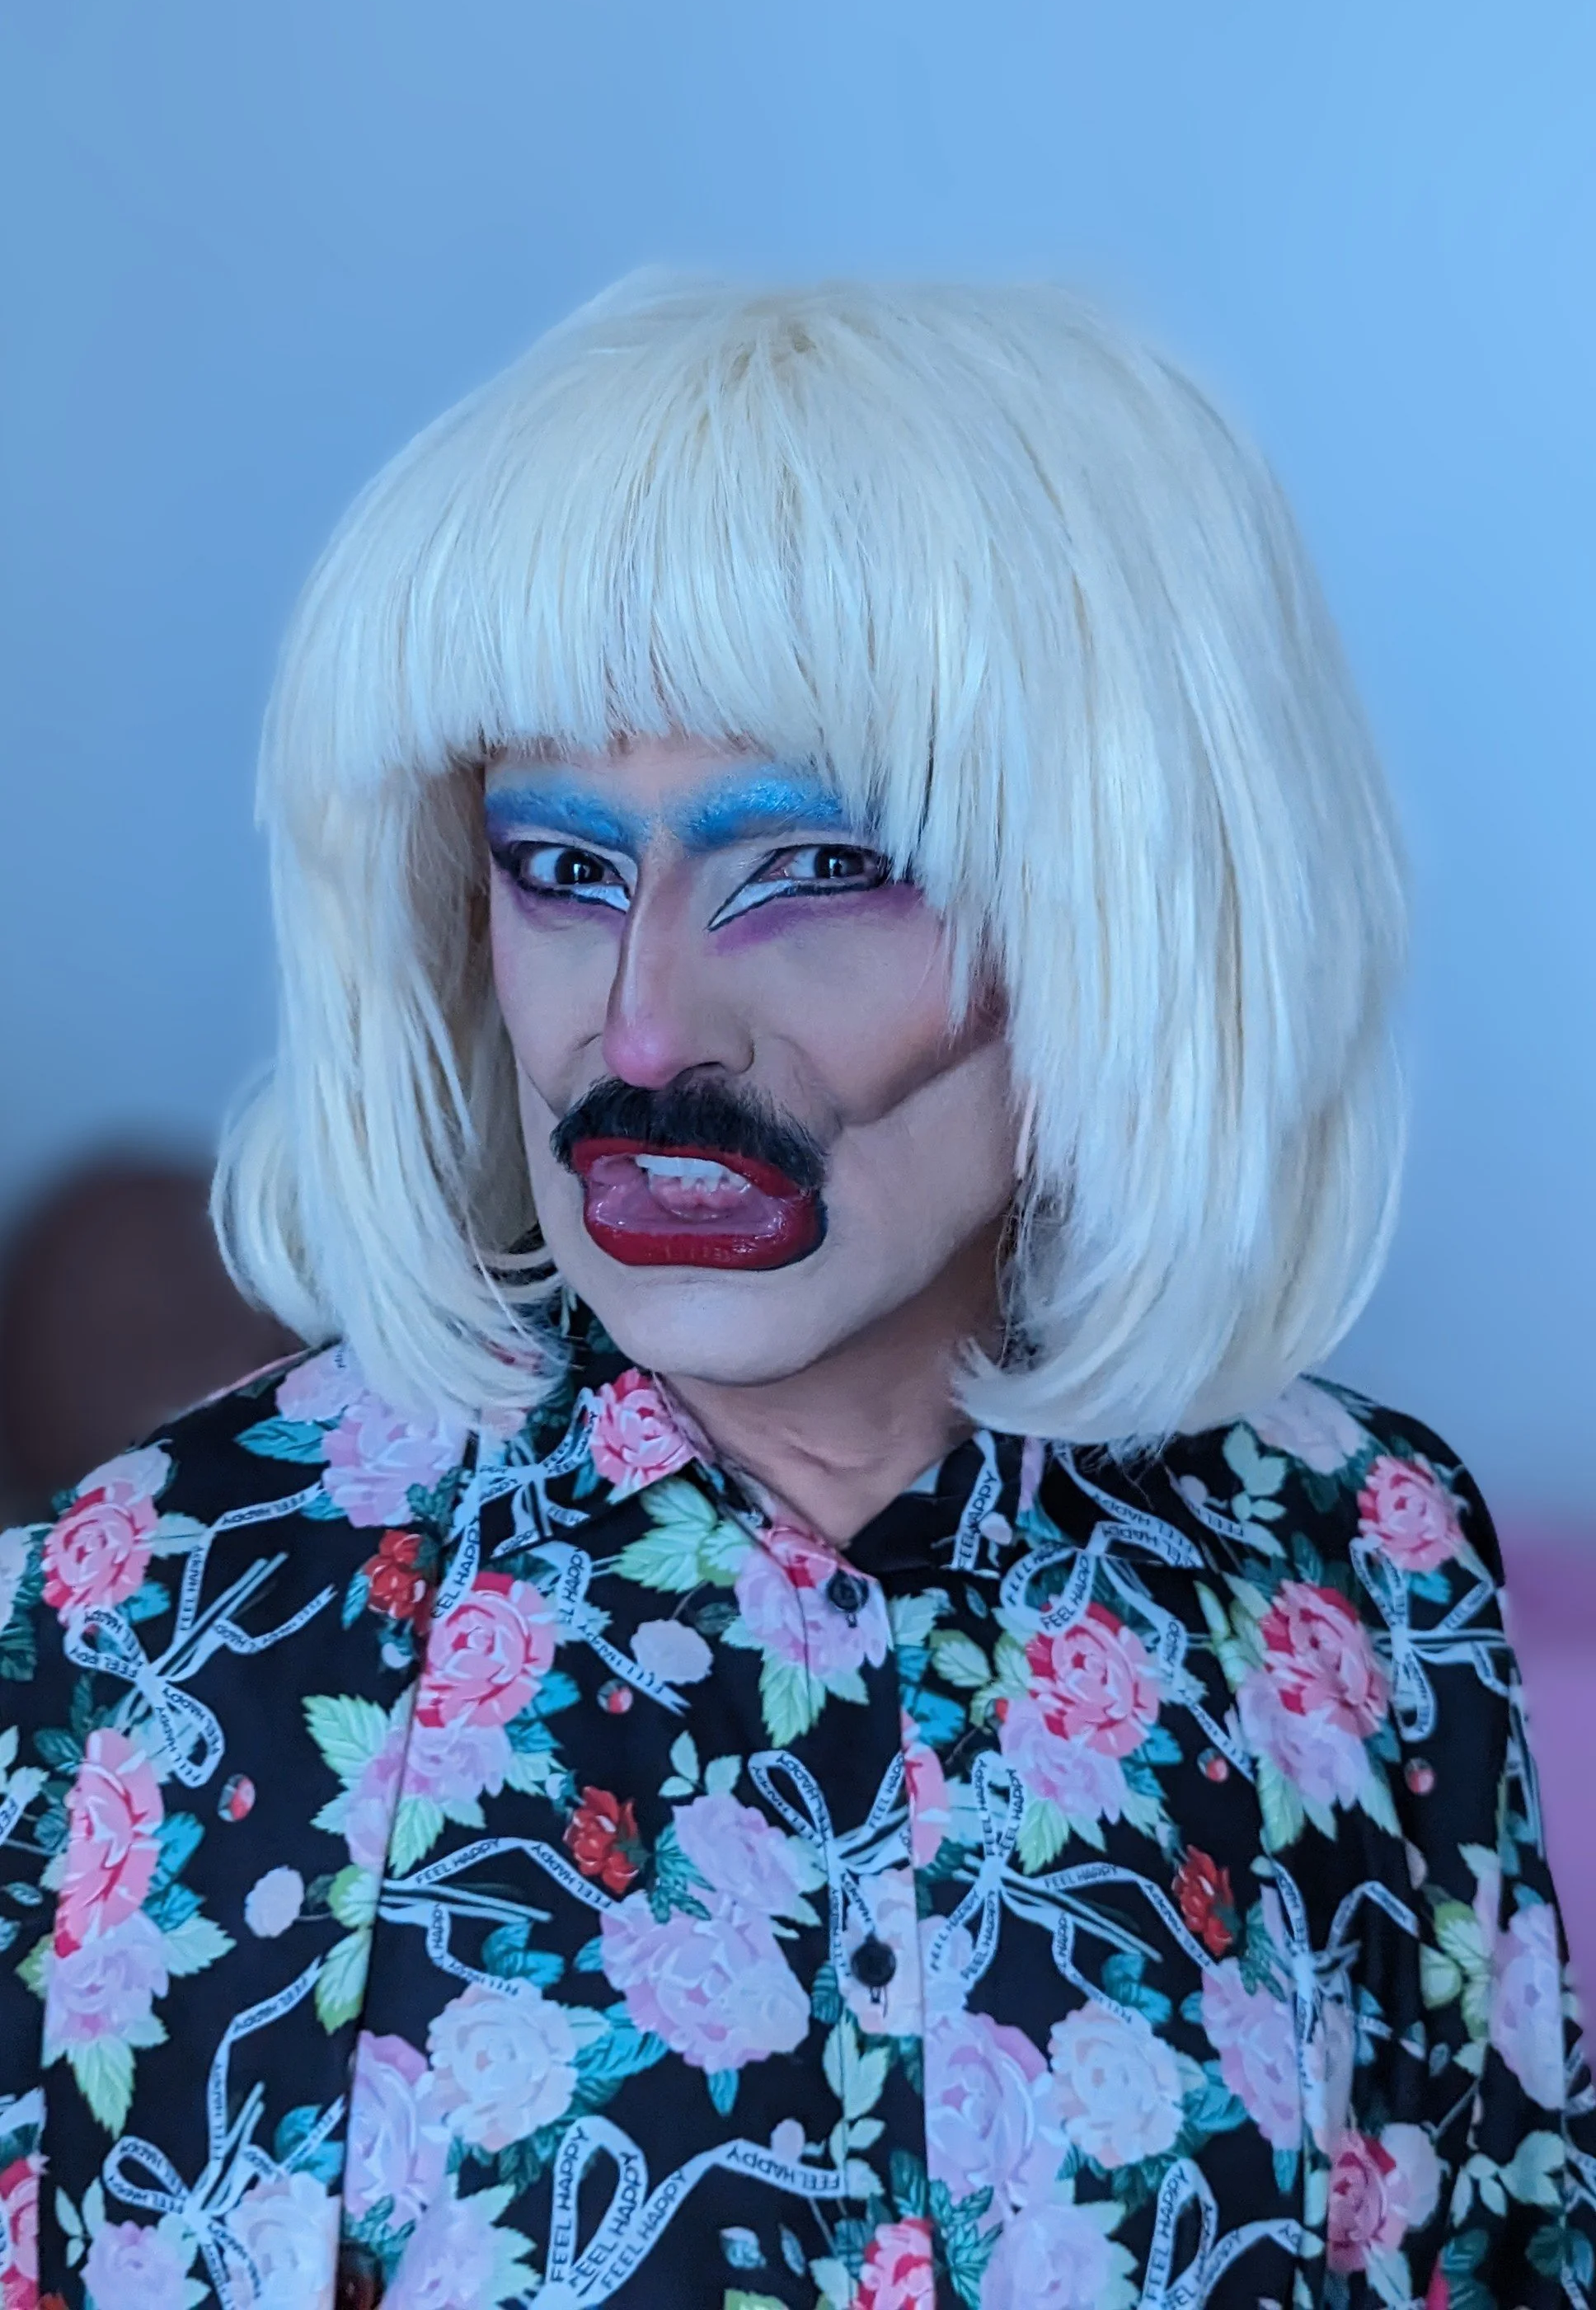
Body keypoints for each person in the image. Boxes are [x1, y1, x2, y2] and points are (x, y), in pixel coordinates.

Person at [0, 279, 1586, 2310]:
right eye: (563, 869)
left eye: (819, 865)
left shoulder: (1364, 1566)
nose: (646, 1026)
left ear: (1124, 907)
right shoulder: (144, 1612)